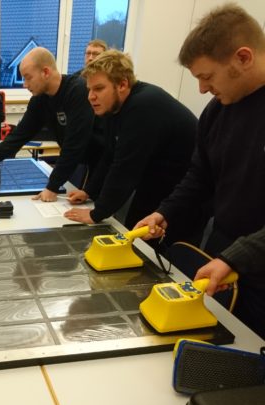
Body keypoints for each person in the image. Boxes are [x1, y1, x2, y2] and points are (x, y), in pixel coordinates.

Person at [135, 4, 265, 339]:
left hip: (254, 264)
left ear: (244, 57)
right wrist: (165, 212)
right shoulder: (216, 112)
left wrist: (236, 258)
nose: (203, 90)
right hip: (225, 255)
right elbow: (199, 178)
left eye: (207, 77)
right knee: (220, 349)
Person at [63, 49, 203, 246]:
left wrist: (96, 214)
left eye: (99, 89)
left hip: (184, 191)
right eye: (89, 89)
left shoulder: (142, 106)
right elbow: (110, 155)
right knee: (133, 236)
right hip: (156, 180)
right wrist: (89, 191)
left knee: (145, 247)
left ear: (122, 84)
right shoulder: (116, 107)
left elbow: (125, 169)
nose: (90, 97)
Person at [0, 47, 95, 202]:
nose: (24, 84)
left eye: (28, 77)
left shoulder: (77, 91)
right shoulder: (40, 99)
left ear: (45, 72)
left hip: (100, 163)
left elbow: (74, 145)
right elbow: (21, 133)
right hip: (80, 162)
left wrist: (52, 187)